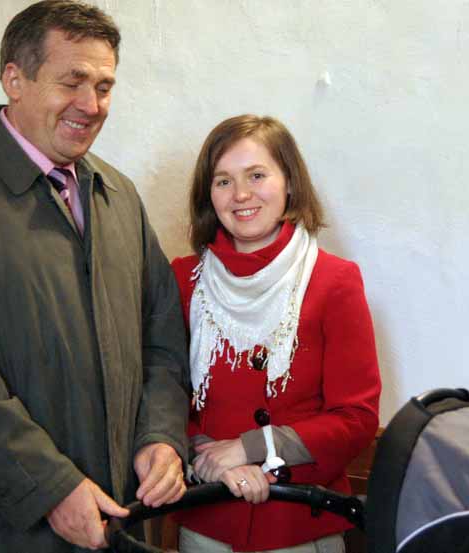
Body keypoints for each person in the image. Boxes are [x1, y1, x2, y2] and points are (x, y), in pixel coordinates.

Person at [0, 2, 190, 551]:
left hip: (112, 518)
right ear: (15, 79)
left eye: (104, 86)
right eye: (72, 82)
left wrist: (161, 437)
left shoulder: (120, 196)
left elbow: (163, 339)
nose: (91, 105)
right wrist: (50, 487)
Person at [170, 115, 381, 553]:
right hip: (208, 518)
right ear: (208, 195)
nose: (240, 194)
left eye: (257, 175)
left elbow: (356, 418)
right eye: (223, 181)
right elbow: (161, 393)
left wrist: (251, 448)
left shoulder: (335, 281)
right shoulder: (183, 279)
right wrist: (210, 459)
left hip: (299, 521)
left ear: (289, 183)